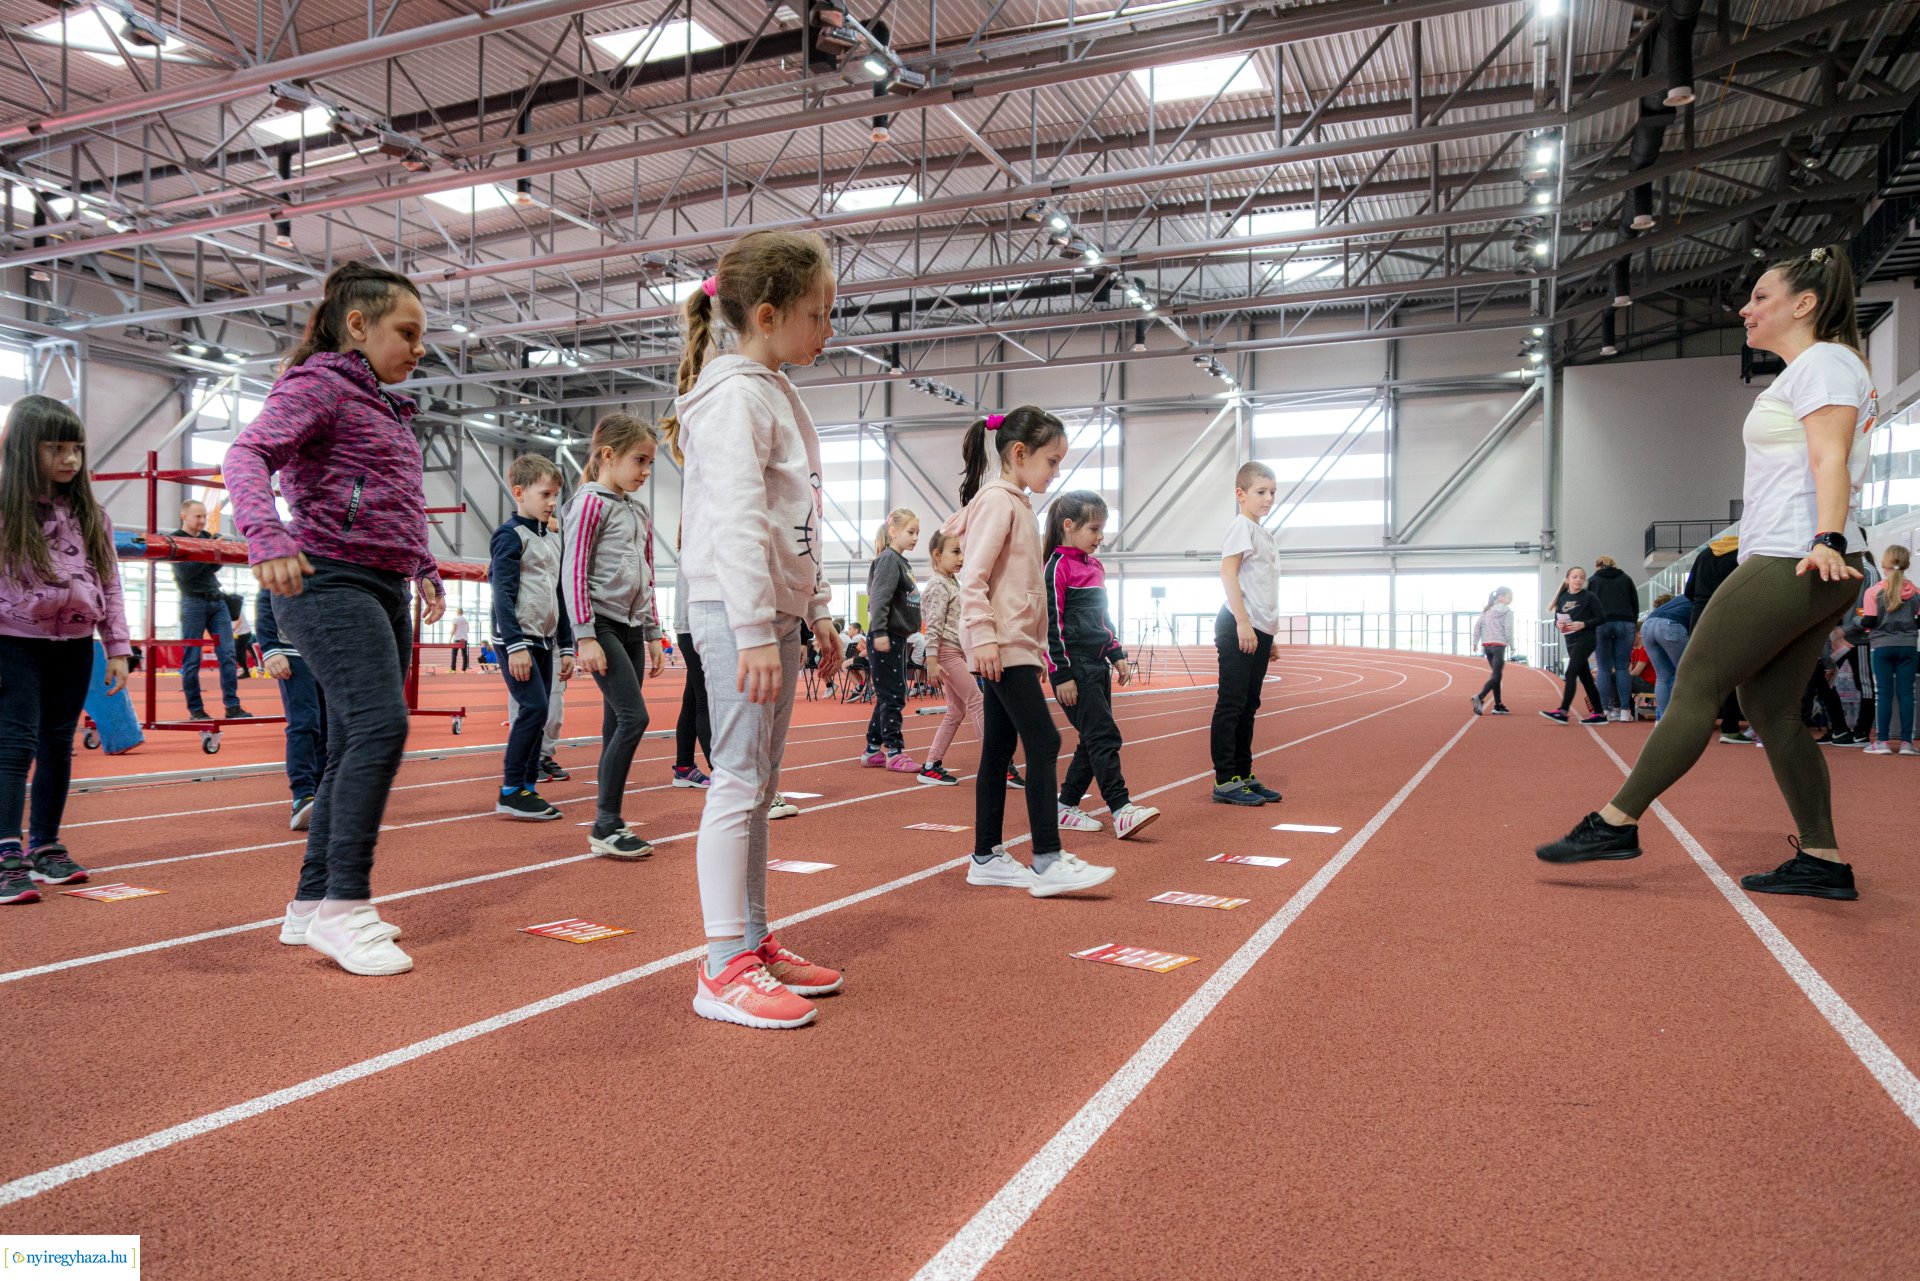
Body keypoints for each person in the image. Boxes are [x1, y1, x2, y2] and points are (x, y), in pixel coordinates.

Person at [1537, 244, 1877, 901]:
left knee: (1696, 679)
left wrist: (1826, 536)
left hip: (1800, 555)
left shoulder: (1824, 364)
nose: (1745, 309)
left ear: (1803, 305)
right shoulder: (1820, 369)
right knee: (1770, 705)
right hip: (1804, 552)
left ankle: (1616, 820)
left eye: (1760, 298)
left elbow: (1830, 458)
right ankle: (1823, 857)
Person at [225, 260, 445, 974]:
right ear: (359, 325)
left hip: (381, 582)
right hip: (326, 578)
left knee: (354, 738)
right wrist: (267, 537)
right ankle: (346, 907)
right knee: (381, 725)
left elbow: (389, 500)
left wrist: (425, 565)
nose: (419, 348)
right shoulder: (319, 384)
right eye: (407, 333)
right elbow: (246, 453)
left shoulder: (380, 403)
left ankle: (308, 905)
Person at [665, 229, 846, 1030]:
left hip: (773, 608)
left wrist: (817, 610)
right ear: (768, 315)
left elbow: (798, 517)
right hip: (733, 609)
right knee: (737, 782)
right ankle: (719, 966)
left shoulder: (771, 386)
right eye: (820, 314)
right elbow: (737, 519)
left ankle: (751, 938)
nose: (830, 329)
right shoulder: (733, 395)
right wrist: (750, 629)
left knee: (760, 789)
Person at [944, 405, 1116, 898]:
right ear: (1019, 453)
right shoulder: (1000, 502)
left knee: (999, 749)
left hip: (1015, 644)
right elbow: (972, 578)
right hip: (1001, 646)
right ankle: (1046, 859)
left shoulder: (1012, 500)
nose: (1057, 471)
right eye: (1053, 461)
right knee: (1044, 743)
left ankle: (986, 856)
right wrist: (984, 638)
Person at [0, 395, 130, 904]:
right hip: (14, 642)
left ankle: (46, 846)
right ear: (25, 449)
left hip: (74, 645)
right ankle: (6, 852)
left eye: (75, 448)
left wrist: (116, 646)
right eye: (56, 448)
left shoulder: (90, 513)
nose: (70, 459)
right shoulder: (7, 511)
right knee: (15, 746)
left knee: (59, 743)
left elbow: (110, 580)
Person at [562, 413, 664, 861]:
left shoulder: (637, 510)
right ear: (607, 456)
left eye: (650, 464)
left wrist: (654, 633)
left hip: (629, 627)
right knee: (633, 718)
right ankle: (605, 823)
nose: (645, 471)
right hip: (600, 624)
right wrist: (584, 635)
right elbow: (574, 571)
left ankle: (610, 820)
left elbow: (649, 577)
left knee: (615, 724)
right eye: (639, 460)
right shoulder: (588, 505)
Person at [1045, 490, 1160, 840]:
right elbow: (1051, 624)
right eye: (1094, 529)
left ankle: (1064, 806)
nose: (1100, 537)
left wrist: (1117, 653)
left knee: (1091, 738)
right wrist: (1061, 674)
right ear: (1069, 526)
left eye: (1102, 529)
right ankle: (1121, 809)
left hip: (1097, 664)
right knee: (1103, 735)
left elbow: (1102, 618)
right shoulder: (1056, 567)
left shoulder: (1094, 566)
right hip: (1073, 667)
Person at [489, 454, 575, 821]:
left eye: (556, 496)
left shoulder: (551, 539)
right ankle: (511, 788)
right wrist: (514, 646)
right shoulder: (509, 536)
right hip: (517, 640)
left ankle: (527, 787)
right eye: (545, 495)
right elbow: (502, 595)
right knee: (534, 708)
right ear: (520, 493)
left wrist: (567, 645)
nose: (552, 503)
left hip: (545, 638)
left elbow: (560, 594)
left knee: (539, 712)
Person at [1210, 461, 1284, 806]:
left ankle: (1243, 773)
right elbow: (1229, 574)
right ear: (1240, 495)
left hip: (1258, 628)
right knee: (1232, 704)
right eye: (1260, 492)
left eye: (1272, 492)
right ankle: (1226, 780)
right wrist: (1243, 622)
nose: (1268, 498)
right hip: (1239, 625)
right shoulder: (1241, 526)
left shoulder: (1262, 532)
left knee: (1249, 706)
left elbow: (1264, 587)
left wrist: (1269, 633)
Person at [254, 584, 325, 831]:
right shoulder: (288, 550)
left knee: (331, 725)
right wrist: (270, 649)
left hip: (329, 654)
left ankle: (322, 794)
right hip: (292, 653)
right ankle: (303, 796)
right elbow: (266, 599)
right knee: (305, 722)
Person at [171, 499, 250, 721]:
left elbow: (212, 567)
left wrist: (219, 552)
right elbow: (185, 574)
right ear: (184, 515)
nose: (202, 521)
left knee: (228, 654)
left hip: (217, 602)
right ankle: (196, 710)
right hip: (193, 603)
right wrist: (210, 550)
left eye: (204, 516)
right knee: (192, 659)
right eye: (198, 516)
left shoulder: (206, 538)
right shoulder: (176, 539)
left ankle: (232, 706)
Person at [862, 507, 923, 773]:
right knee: (895, 695)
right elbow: (878, 598)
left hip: (896, 637)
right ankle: (894, 751)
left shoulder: (901, 561)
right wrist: (880, 633)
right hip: (885, 636)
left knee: (889, 693)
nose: (915, 538)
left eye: (918, 533)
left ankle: (872, 749)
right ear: (893, 531)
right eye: (911, 532)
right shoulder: (889, 560)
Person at [918, 528, 979, 786]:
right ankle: (1000, 763)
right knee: (978, 700)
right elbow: (932, 624)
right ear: (936, 554)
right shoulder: (938, 584)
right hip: (946, 652)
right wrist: (932, 660)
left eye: (962, 552)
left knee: (956, 711)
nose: (961, 558)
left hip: (956, 652)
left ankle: (931, 765)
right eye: (955, 552)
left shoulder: (954, 583)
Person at [1685, 532, 1750, 741]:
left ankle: (1693, 725)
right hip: (1726, 614)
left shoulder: (1704, 554)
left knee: (1700, 675)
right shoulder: (1740, 556)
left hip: (1698, 615)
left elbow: (1689, 590)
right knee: (1728, 674)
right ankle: (1730, 728)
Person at [1859, 543, 1916, 755]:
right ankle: (1907, 743)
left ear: (1884, 564)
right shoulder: (1916, 591)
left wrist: (1860, 622)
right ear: (1907, 564)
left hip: (1881, 646)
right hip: (1908, 646)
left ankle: (1882, 741)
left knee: (1882, 693)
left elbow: (1870, 622)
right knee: (1907, 693)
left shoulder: (1874, 592)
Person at [670, 549, 713, 790]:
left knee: (693, 699)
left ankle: (684, 766)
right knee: (705, 701)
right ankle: (721, 773)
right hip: (695, 628)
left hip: (692, 627)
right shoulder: (695, 548)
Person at [1540, 566, 1606, 725]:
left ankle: (1563, 711)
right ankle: (1599, 714)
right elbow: (1558, 619)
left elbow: (1602, 618)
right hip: (1570, 640)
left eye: (1581, 577)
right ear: (1567, 579)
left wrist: (1583, 624)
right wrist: (1559, 625)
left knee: (1570, 674)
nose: (1578, 580)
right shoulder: (1562, 597)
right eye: (1575, 577)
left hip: (1586, 640)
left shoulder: (1589, 596)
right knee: (1586, 678)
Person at [1589, 554, 1638, 720]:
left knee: (1603, 668)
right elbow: (1635, 603)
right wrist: (1632, 621)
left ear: (1598, 566)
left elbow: (1589, 605)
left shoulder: (1593, 581)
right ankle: (1625, 711)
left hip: (1601, 624)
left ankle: (1605, 710)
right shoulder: (1626, 579)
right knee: (1623, 668)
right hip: (1625, 623)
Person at [1639, 591, 1692, 722]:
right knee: (1686, 675)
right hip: (1671, 625)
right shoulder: (1705, 598)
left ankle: (1662, 720)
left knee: (1662, 676)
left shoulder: (1680, 599)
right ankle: (1682, 720)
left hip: (1648, 625)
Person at [1469, 587, 1514, 716]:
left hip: (1487, 646)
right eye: (1509, 596)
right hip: (1499, 645)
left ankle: (1498, 705)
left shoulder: (1487, 610)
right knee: (1496, 675)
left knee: (1497, 675)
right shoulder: (1507, 611)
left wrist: (1475, 642)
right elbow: (1508, 629)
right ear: (1500, 597)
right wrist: (1511, 644)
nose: (1511, 599)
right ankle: (1480, 697)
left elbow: (1478, 626)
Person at [449, 607, 470, 672]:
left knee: (454, 654)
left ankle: (453, 669)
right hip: (464, 639)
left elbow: (454, 629)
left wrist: (450, 639)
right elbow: (468, 630)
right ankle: (463, 669)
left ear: (457, 612)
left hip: (457, 639)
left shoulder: (455, 619)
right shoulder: (466, 620)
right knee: (464, 654)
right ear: (462, 612)